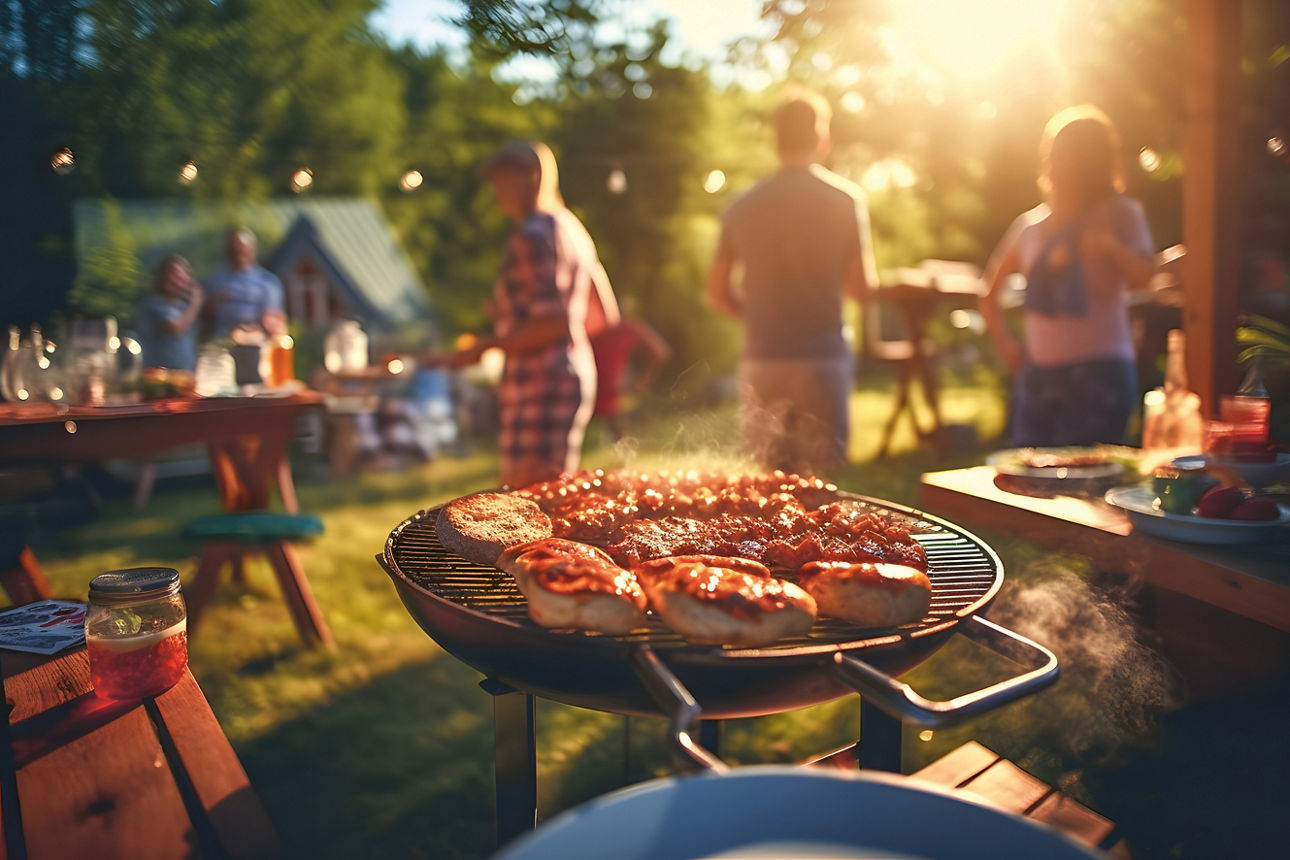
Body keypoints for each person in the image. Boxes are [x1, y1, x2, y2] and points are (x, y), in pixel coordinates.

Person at [706, 88, 877, 473]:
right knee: (822, 492)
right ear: (822, 138)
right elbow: (862, 289)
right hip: (823, 360)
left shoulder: (742, 206)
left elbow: (716, 293)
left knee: (768, 494)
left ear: (776, 140)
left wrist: (756, 316)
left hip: (762, 360)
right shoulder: (845, 200)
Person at [434, 140, 615, 488]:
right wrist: (515, 320)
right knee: (553, 493)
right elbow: (601, 315)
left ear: (531, 177)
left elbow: (552, 321)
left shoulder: (531, 234)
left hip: (539, 383)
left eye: (503, 178)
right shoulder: (572, 228)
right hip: (572, 372)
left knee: (527, 500)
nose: (496, 189)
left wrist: (490, 344)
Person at [980, 105, 1157, 448]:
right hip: (1039, 376)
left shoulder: (1121, 215)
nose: (1060, 162)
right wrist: (1010, 348)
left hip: (1100, 375)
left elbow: (1146, 279)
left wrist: (1111, 248)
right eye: (1055, 152)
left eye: (1073, 153)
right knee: (1030, 486)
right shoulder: (1030, 226)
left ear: (1096, 161)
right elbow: (989, 294)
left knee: (1086, 489)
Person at [590, 314, 671, 441]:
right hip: (604, 381)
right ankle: (622, 442)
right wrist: (644, 378)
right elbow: (661, 351)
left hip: (594, 380)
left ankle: (621, 442)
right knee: (616, 409)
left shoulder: (613, 332)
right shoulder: (631, 331)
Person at [204, 228, 287, 338]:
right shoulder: (215, 279)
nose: (238, 254)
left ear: (252, 251)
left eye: (242, 251)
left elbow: (275, 321)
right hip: (221, 341)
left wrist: (266, 324)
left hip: (255, 341)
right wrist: (212, 303)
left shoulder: (268, 283)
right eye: (234, 251)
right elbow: (202, 316)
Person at [134, 254, 203, 370]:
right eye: (169, 274)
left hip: (185, 373)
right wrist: (195, 304)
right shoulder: (153, 303)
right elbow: (174, 328)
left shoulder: (184, 307)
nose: (172, 279)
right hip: (158, 373)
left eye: (178, 276)